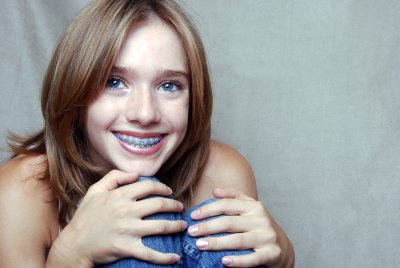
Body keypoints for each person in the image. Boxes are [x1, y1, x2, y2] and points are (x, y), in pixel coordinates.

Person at [0, 0, 294, 267]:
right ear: (74, 88)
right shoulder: (23, 189)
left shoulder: (222, 172)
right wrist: (71, 255)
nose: (145, 114)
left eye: (169, 86)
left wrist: (283, 257)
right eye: (114, 82)